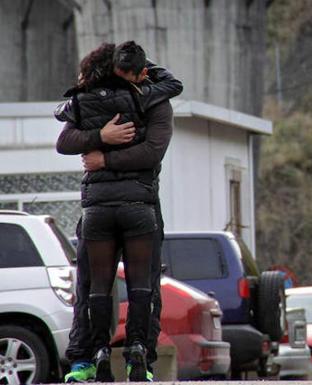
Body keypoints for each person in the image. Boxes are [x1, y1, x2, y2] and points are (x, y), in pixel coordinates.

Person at [56, 41, 180, 382]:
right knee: (143, 287)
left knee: (93, 287)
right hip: (139, 204)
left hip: (98, 205)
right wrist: (103, 136)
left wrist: (101, 154)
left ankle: (91, 356)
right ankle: (138, 355)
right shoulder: (153, 100)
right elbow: (152, 153)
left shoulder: (86, 103)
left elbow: (64, 142)